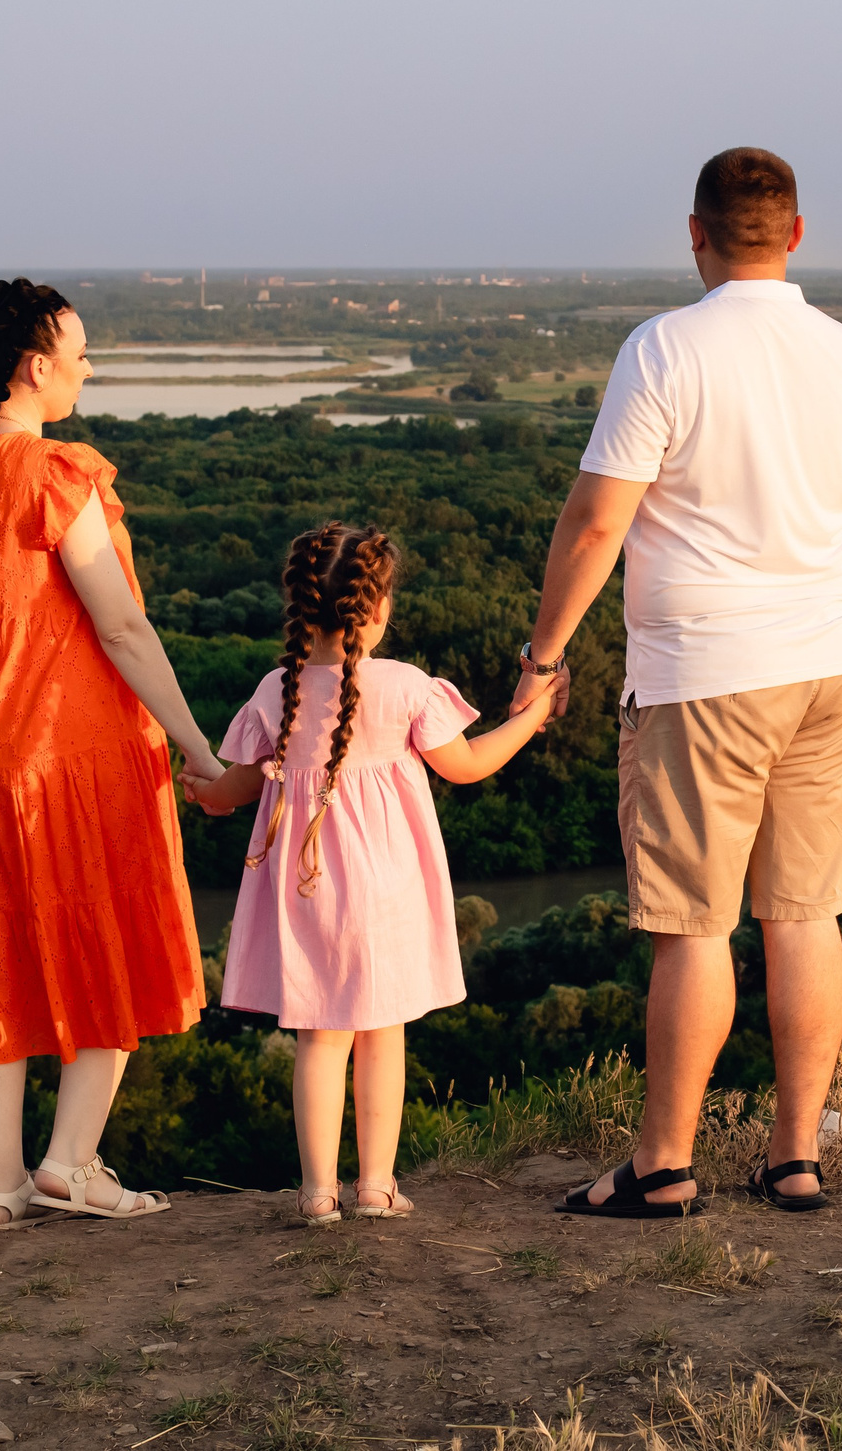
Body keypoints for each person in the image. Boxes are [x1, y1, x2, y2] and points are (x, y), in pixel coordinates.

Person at [517, 148, 842, 1219]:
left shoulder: (663, 352)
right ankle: (792, 1158)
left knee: (695, 923)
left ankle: (665, 1165)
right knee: (806, 909)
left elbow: (597, 521)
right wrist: (841, 633)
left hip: (705, 674)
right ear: (795, 233)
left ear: (695, 233)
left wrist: (543, 656)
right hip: (830, 665)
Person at [0, 278, 227, 1227]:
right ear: (37, 364)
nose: (89, 365)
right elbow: (122, 626)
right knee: (111, 942)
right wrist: (193, 742)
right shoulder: (53, 474)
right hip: (71, 755)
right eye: (80, 351)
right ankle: (70, 1161)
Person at [189, 522, 560, 1225]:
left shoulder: (278, 690)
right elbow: (470, 765)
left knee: (321, 1036)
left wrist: (200, 791)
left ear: (298, 607)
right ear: (379, 606)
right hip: (389, 892)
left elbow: (232, 790)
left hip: (307, 894)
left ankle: (316, 1192)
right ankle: (376, 1187)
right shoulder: (406, 686)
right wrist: (535, 711)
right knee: (383, 1031)